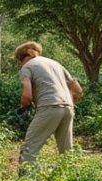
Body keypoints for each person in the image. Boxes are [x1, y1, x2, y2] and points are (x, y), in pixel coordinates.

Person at [16, 41, 82, 174]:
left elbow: (27, 95)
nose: (20, 65)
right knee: (66, 150)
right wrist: (69, 103)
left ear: (21, 58)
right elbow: (78, 90)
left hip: (49, 106)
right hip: (68, 107)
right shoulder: (55, 64)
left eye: (18, 62)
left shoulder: (27, 67)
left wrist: (23, 107)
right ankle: (72, 178)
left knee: (29, 148)